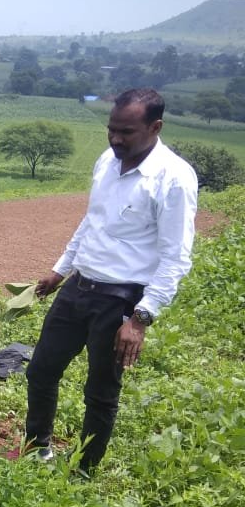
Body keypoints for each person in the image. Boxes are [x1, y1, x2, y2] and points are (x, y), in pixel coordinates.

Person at [24, 88, 197, 473]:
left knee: (100, 392)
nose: (116, 139)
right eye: (111, 129)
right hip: (79, 285)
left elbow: (175, 257)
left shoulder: (174, 178)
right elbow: (93, 220)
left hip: (121, 299)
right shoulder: (107, 160)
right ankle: (37, 448)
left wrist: (140, 319)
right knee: (41, 370)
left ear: (155, 127)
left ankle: (82, 471)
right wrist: (61, 269)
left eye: (126, 132)